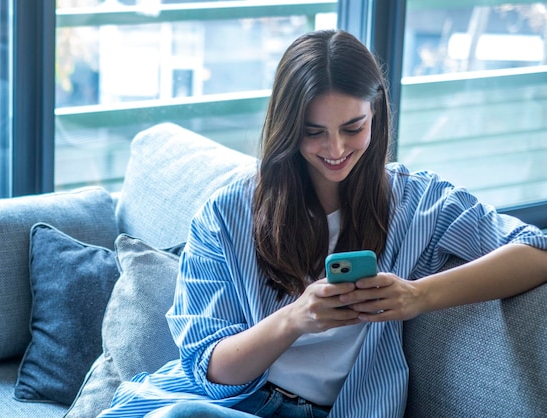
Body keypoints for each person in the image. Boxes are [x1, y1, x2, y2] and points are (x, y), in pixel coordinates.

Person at [99, 29, 547, 418]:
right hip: (225, 404)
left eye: (353, 127)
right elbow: (209, 369)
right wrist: (296, 318)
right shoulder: (224, 215)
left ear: (376, 115)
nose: (335, 149)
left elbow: (535, 250)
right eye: (314, 132)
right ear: (287, 127)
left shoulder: (417, 200)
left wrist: (417, 296)